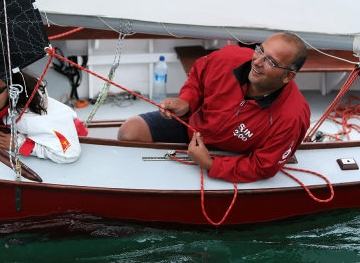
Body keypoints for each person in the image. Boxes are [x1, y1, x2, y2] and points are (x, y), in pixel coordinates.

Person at [118, 32, 310, 183]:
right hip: (194, 125)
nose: (257, 62)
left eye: (271, 62)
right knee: (130, 131)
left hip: (233, 155)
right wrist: (187, 101)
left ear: (288, 76)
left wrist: (210, 164)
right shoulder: (229, 57)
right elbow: (198, 75)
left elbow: (262, 167)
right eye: (260, 50)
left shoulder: (293, 116)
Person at [0, 70, 88, 163]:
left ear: (13, 88)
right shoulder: (15, 98)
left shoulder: (29, 120)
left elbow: (69, 153)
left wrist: (20, 144)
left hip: (65, 135)